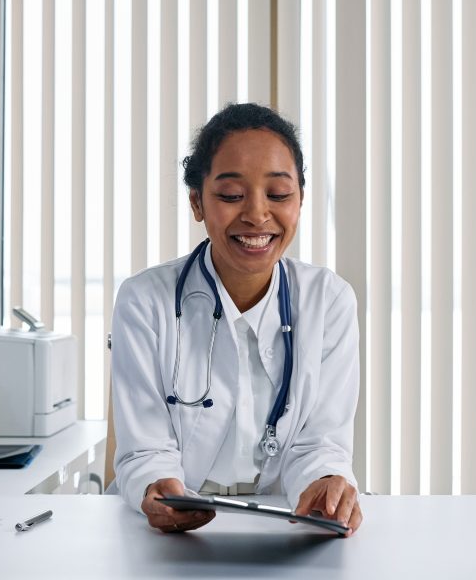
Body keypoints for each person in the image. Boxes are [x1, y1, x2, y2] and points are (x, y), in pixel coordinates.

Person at [110, 103, 363, 536]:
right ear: (197, 202)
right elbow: (145, 448)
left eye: (279, 194)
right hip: (169, 536)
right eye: (230, 195)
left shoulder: (329, 300)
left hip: (286, 526)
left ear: (300, 200)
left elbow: (321, 442)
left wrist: (325, 484)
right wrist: (158, 487)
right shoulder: (144, 300)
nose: (257, 214)